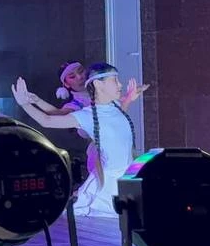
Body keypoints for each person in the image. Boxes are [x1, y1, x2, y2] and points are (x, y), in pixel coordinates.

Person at [11, 63, 148, 217]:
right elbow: (49, 118)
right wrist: (27, 103)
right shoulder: (83, 112)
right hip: (106, 172)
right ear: (98, 84)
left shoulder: (113, 105)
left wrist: (129, 98)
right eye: (114, 80)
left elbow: (115, 118)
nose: (79, 77)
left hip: (127, 174)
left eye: (80, 71)